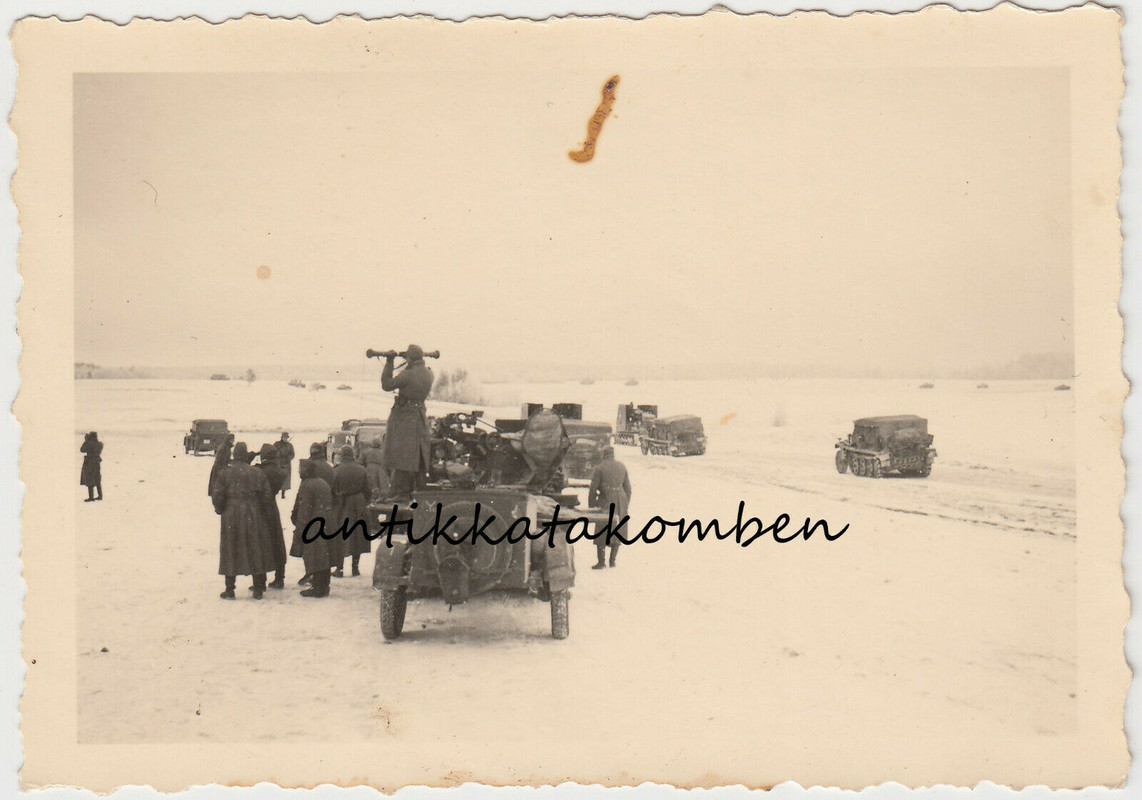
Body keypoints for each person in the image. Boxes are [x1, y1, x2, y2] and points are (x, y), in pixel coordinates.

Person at [212, 442, 281, 599]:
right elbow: (266, 496)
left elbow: (217, 495)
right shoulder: (257, 472)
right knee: (256, 547)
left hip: (231, 514)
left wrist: (220, 509)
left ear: (234, 455)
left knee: (230, 549)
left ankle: (230, 589)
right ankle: (258, 587)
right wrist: (262, 511)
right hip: (253, 512)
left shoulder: (224, 473)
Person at [380, 345, 434, 497]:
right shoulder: (430, 373)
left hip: (404, 417)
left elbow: (387, 385)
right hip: (420, 416)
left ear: (410, 359)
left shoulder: (408, 374)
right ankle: (418, 488)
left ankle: (401, 491)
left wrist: (389, 362)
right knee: (419, 454)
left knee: (401, 455)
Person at [292, 443, 339, 586]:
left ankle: (318, 587)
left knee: (314, 554)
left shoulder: (307, 484)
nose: (298, 472)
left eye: (300, 469)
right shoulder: (325, 478)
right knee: (325, 555)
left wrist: (300, 529)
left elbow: (304, 510)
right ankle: (323, 585)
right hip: (328, 520)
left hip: (313, 523)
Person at [588, 445, 632, 569]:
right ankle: (612, 561)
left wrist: (592, 507)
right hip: (620, 501)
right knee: (617, 530)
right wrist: (625, 503)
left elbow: (593, 490)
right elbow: (628, 489)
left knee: (602, 529)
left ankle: (601, 562)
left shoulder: (600, 468)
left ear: (604, 455)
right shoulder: (622, 466)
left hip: (605, 501)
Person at [332, 444, 371, 577]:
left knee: (341, 535)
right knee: (358, 535)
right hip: (359, 503)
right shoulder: (362, 469)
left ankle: (340, 568)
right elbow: (368, 490)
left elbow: (332, 489)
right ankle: (355, 568)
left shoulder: (336, 470)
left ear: (342, 455)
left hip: (343, 504)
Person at [255, 444, 288, 589]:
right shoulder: (280, 471)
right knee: (277, 543)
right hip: (273, 509)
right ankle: (279, 577)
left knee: (261, 544)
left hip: (260, 509)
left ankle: (260, 581)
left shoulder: (260, 471)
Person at [359, 434, 390, 500]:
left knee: (372, 484)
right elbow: (388, 464)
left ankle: (372, 497)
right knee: (382, 484)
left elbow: (361, 462)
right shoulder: (384, 453)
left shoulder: (366, 452)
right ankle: (382, 497)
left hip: (370, 468)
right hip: (381, 469)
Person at [80, 432, 103, 502]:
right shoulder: (100, 444)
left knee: (89, 478)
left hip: (89, 462)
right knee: (97, 478)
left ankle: (91, 497)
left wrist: (86, 441)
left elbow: (82, 449)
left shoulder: (89, 443)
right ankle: (100, 495)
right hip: (97, 462)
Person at [273, 432, 295, 499]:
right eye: (284, 437)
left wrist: (288, 458)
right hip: (278, 464)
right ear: (282, 437)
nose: (285, 439)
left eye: (286, 438)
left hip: (286, 465)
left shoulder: (290, 445)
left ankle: (283, 493)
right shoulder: (277, 444)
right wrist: (278, 455)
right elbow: (273, 451)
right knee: (277, 478)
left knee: (285, 480)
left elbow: (292, 454)